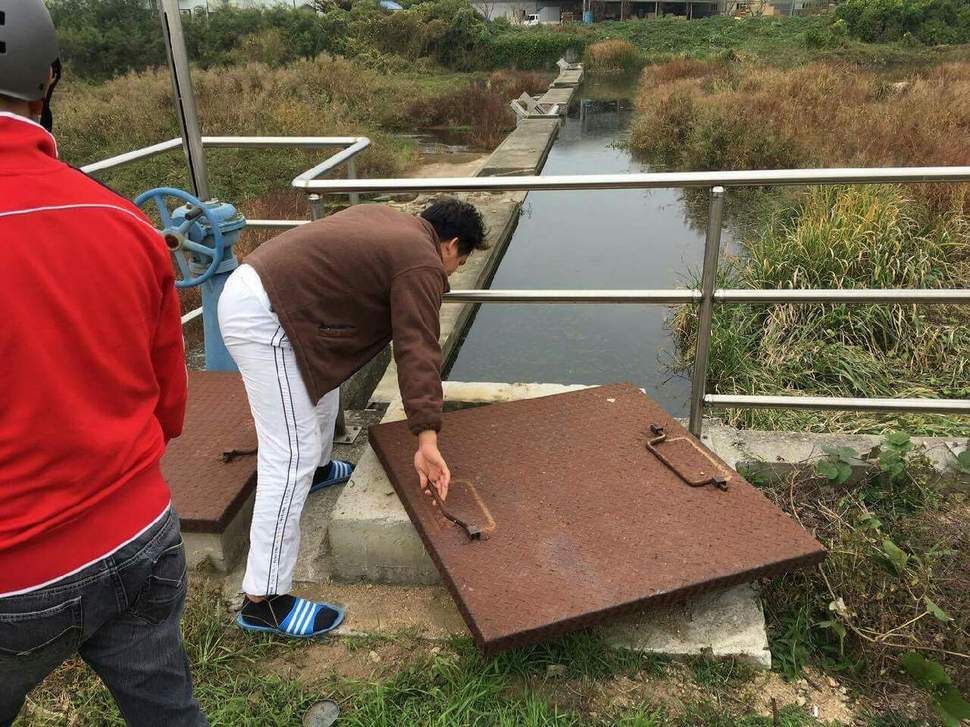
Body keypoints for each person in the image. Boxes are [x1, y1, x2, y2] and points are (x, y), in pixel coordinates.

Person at [0, 1, 206, 724]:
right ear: (47, 80)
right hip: (140, 534)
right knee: (168, 712)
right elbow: (169, 405)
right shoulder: (124, 222)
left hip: (13, 573)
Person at [219, 198, 486, 637]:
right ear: (452, 245)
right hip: (265, 319)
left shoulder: (391, 221)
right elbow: (418, 350)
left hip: (272, 296)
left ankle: (322, 469)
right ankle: (263, 600)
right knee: (289, 456)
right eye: (460, 260)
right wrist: (426, 439)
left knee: (323, 388)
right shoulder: (421, 261)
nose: (453, 271)